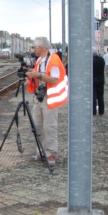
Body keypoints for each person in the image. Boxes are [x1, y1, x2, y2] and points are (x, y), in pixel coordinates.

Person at [24, 36, 68, 169]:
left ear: (41, 48)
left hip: (49, 97)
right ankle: (41, 151)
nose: (34, 49)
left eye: (35, 47)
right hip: (39, 97)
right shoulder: (39, 60)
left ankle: (51, 154)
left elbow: (54, 80)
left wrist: (37, 75)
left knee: (49, 126)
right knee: (37, 125)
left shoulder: (53, 60)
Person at [92, 50, 106, 115]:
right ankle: (101, 111)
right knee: (100, 96)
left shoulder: (91, 60)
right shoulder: (102, 59)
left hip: (93, 80)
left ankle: (93, 111)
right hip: (101, 79)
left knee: (93, 96)